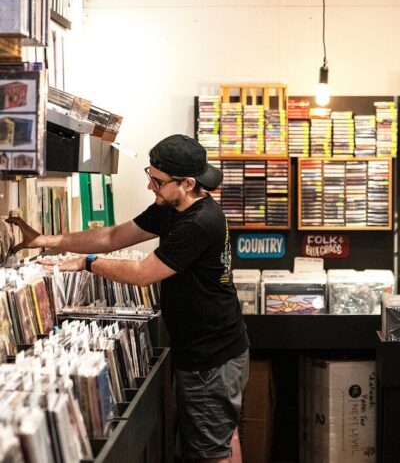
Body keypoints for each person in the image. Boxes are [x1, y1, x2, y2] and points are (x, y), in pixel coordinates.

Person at [7, 134, 249, 463]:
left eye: (158, 181)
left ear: (188, 182)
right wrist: (45, 240)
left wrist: (87, 263)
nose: (151, 187)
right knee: (221, 436)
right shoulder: (173, 207)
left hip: (212, 356)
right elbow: (112, 236)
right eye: (151, 176)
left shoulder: (199, 221)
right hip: (210, 348)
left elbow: (143, 273)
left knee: (211, 451)